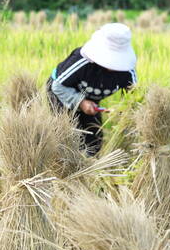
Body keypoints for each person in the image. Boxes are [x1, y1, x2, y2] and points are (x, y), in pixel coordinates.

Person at [46, 23, 137, 156]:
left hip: (91, 97)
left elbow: (133, 96)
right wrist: (81, 102)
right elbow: (58, 86)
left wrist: (124, 113)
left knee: (94, 139)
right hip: (62, 91)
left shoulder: (126, 70)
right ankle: (67, 171)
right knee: (69, 136)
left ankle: (88, 170)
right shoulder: (82, 61)